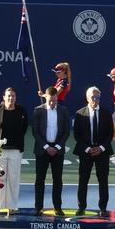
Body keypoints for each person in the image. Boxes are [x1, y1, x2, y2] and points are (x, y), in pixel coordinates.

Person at [74, 86, 115, 218]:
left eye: (98, 98)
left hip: (102, 152)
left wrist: (101, 148)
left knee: (103, 180)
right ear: (87, 98)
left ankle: (103, 207)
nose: (95, 100)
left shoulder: (106, 113)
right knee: (83, 180)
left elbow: (110, 133)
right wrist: (88, 149)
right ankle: (81, 207)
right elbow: (77, 134)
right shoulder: (80, 113)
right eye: (93, 97)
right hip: (86, 152)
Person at [0, 88, 28, 217]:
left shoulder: (21, 111)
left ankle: (11, 206)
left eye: (13, 96)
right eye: (9, 96)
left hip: (16, 149)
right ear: (4, 97)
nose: (11, 99)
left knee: (13, 178)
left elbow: (24, 128)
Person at [32, 86, 71, 217]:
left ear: (57, 99)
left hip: (57, 151)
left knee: (57, 179)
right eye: (50, 100)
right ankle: (38, 207)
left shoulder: (63, 111)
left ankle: (58, 207)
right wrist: (46, 147)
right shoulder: (38, 111)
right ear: (46, 98)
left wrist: (57, 147)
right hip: (42, 150)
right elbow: (35, 132)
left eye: (54, 100)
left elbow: (66, 132)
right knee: (39, 179)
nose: (52, 103)